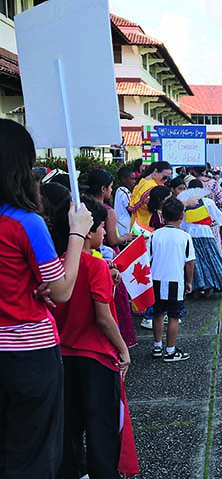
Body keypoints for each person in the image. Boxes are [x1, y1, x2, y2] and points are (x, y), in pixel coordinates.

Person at [0, 118, 93, 478]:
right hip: (28, 352)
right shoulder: (26, 222)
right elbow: (62, 289)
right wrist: (77, 234)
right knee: (33, 453)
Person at [52, 195, 131, 479]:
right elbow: (104, 318)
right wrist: (123, 349)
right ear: (87, 230)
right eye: (99, 228)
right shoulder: (95, 265)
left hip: (63, 356)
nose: (103, 234)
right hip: (96, 357)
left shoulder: (58, 266)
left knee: (69, 426)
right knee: (102, 429)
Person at [86, 168, 137, 348]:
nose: (110, 191)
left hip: (87, 255)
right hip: (108, 258)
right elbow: (113, 239)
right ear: (103, 189)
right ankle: (119, 342)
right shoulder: (107, 211)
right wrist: (126, 237)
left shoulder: (82, 205)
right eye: (109, 187)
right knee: (115, 301)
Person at [149, 197, 196, 362]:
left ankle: (157, 346)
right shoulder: (185, 237)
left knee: (158, 314)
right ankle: (170, 351)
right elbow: (189, 263)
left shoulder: (154, 235)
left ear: (162, 216)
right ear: (182, 216)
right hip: (176, 282)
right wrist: (189, 281)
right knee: (174, 317)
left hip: (156, 280)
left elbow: (149, 259)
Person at [182, 179, 222, 298]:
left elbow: (181, 223)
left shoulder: (185, 203)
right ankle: (209, 288)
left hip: (190, 237)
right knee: (211, 261)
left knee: (194, 263)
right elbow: (221, 217)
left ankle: (196, 289)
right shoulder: (207, 202)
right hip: (206, 235)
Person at [128, 160, 172, 228]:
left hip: (137, 225)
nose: (165, 180)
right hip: (147, 226)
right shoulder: (152, 187)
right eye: (164, 177)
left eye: (168, 179)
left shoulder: (143, 181)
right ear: (155, 171)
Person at [114, 165, 136, 238]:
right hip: (125, 227)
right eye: (132, 179)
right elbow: (131, 208)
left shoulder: (119, 191)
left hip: (121, 227)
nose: (134, 181)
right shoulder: (124, 191)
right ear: (123, 179)